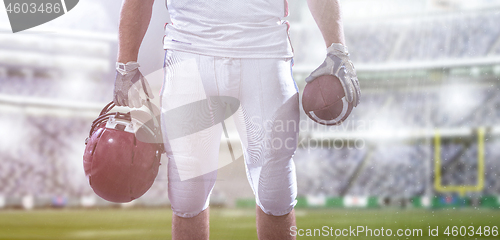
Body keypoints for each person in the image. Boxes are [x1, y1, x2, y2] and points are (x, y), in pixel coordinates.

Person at [113, 0, 360, 239]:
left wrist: (337, 48)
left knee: (275, 193)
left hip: (265, 52)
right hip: (189, 54)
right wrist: (126, 64)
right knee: (187, 197)